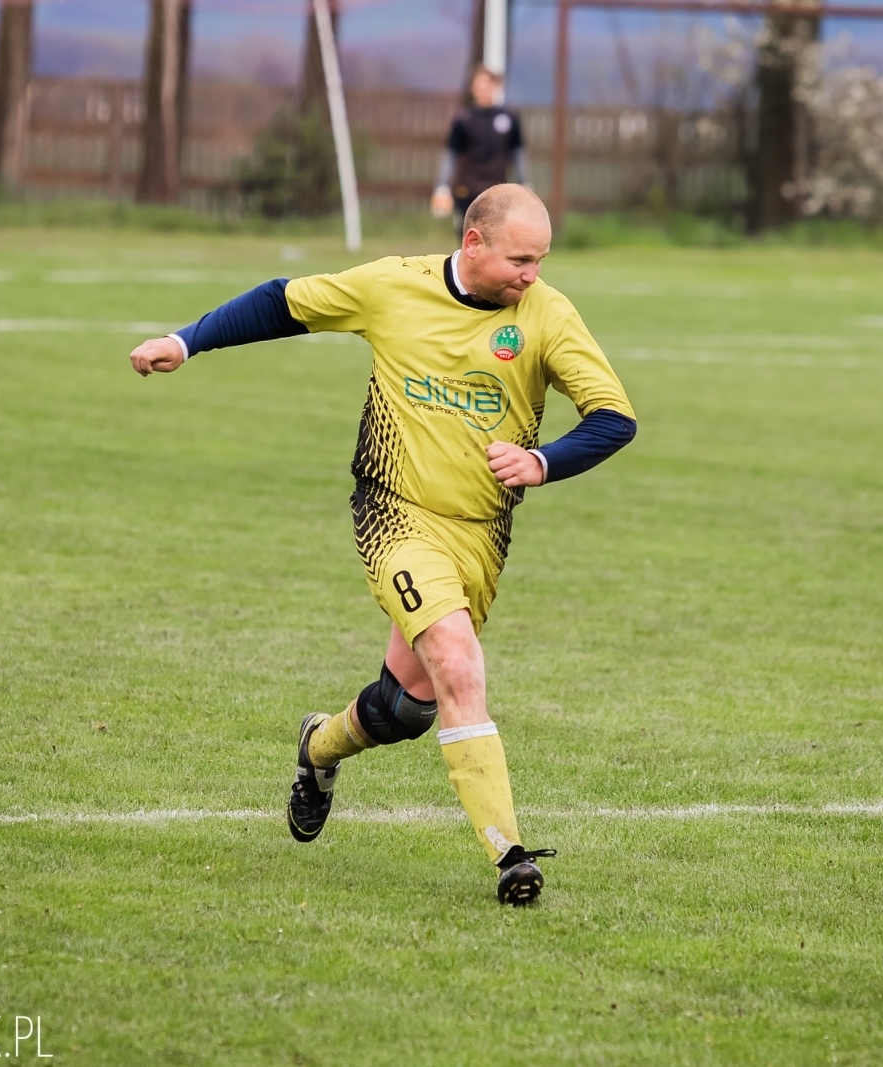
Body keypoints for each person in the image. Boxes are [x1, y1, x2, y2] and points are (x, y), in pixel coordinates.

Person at [128, 184, 636, 906]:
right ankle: (509, 854)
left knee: (407, 708)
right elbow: (284, 301)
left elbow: (615, 418)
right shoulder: (395, 286)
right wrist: (186, 340)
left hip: (482, 533)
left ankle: (318, 747)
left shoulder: (546, 314)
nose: (533, 273)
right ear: (473, 243)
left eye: (541, 259)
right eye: (521, 258)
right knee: (460, 665)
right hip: (395, 515)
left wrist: (544, 460)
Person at [431, 66, 530, 242]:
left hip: (496, 188)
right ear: (473, 88)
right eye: (480, 85)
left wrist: (525, 183)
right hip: (467, 188)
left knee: (494, 237)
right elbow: (450, 155)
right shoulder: (464, 119)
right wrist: (442, 187)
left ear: (496, 86)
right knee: (469, 235)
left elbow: (518, 154)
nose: (484, 89)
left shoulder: (508, 118)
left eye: (488, 84)